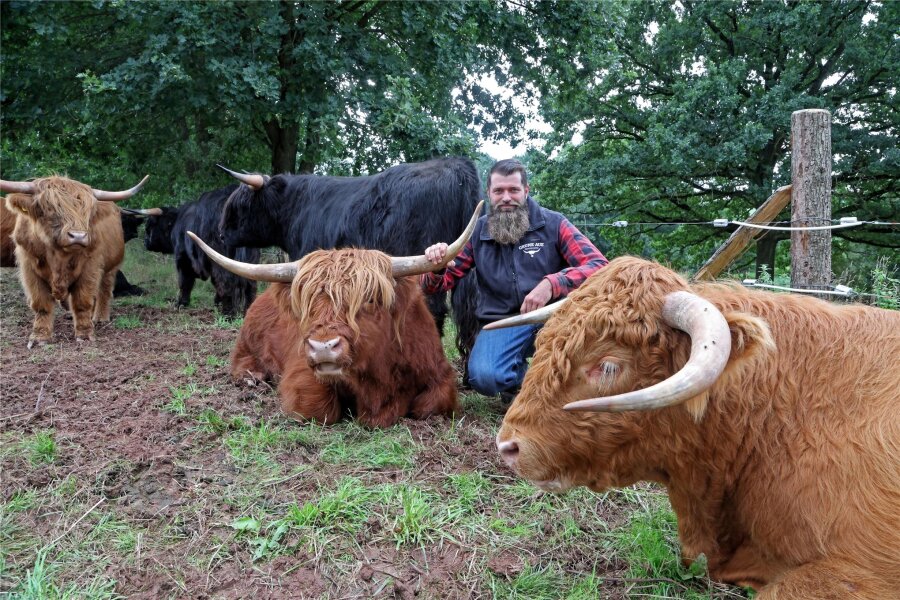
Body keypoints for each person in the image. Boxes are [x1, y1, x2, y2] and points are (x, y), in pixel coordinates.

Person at [422, 159, 608, 402]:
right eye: (499, 191)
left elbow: (599, 266)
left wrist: (553, 283)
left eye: (513, 190)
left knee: (589, 364)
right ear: (489, 193)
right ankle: (523, 380)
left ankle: (551, 385)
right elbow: (438, 284)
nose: (506, 197)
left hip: (555, 318)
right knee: (484, 377)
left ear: (526, 191)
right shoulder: (478, 232)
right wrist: (436, 267)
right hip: (504, 322)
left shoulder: (553, 224)